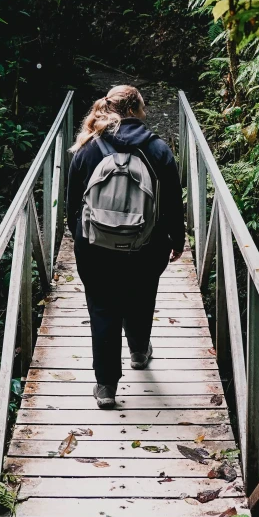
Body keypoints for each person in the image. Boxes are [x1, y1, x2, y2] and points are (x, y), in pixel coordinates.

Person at [66, 85, 185, 408]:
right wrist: (177, 239)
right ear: (138, 109)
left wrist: (81, 235)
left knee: (103, 308)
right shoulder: (158, 150)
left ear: (111, 108)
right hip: (146, 246)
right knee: (141, 296)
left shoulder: (88, 149)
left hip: (95, 247)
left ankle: (105, 386)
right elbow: (173, 201)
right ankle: (138, 351)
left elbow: (72, 205)